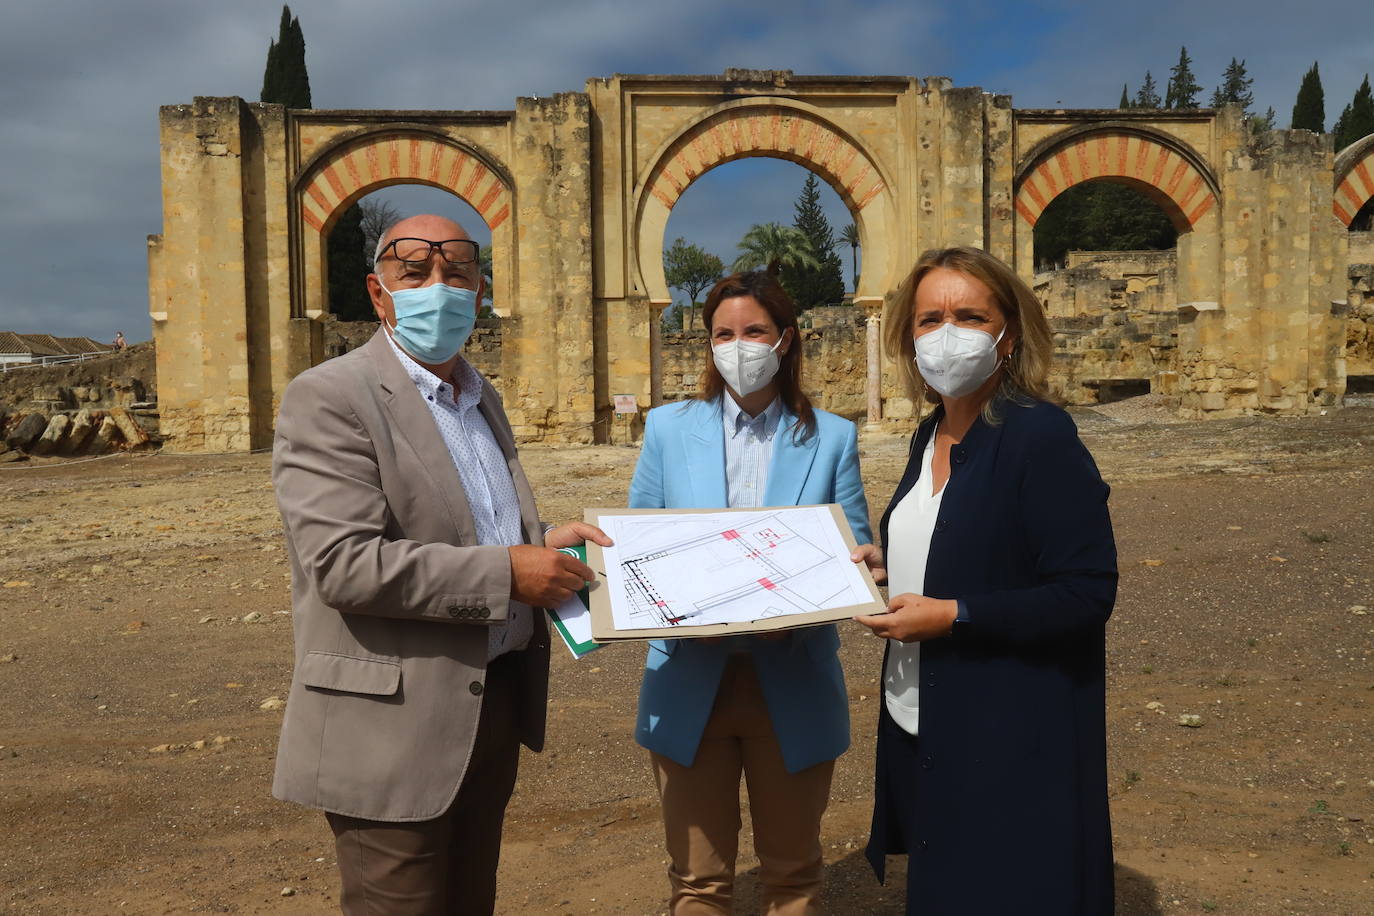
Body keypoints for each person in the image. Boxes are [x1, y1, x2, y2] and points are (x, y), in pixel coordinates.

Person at [270, 213, 611, 915]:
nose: (439, 288)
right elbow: (344, 563)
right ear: (378, 292)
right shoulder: (331, 396)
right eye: (415, 273)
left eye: (457, 273)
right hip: (390, 729)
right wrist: (508, 574)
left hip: (489, 708)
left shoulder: (480, 398)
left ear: (480, 290)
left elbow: (467, 527)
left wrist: (543, 541)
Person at [851, 247, 1118, 914]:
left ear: (1010, 334)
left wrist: (952, 616)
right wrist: (892, 567)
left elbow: (1087, 590)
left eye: (970, 316)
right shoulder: (929, 436)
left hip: (1007, 731)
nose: (947, 334)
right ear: (907, 337)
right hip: (924, 721)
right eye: (929, 318)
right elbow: (963, 543)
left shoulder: (1040, 436)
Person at [628, 271, 873, 915]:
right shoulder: (668, 430)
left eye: (754, 331)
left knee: (792, 876)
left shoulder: (833, 437)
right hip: (689, 679)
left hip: (789, 676)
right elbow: (637, 549)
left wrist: (837, 588)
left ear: (785, 339)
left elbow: (855, 557)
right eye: (723, 333)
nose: (738, 345)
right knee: (699, 883)